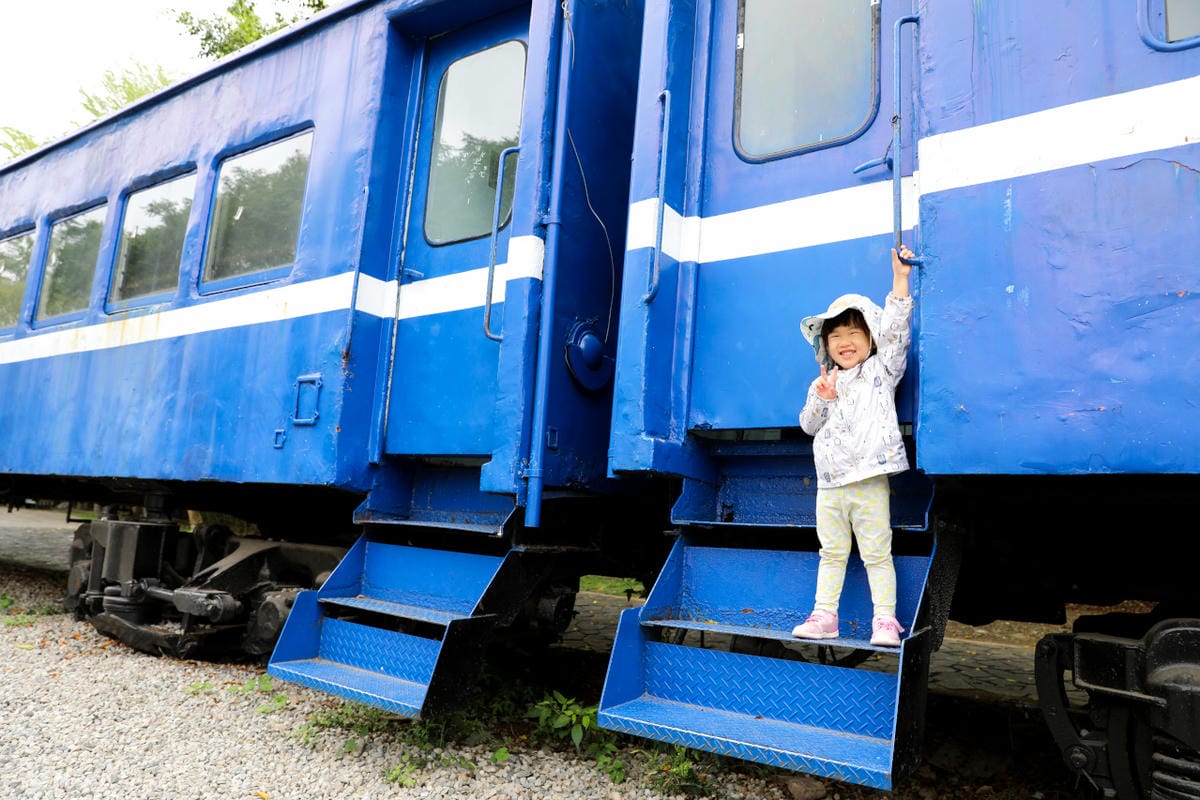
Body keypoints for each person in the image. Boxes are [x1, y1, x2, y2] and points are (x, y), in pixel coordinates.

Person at [791, 245, 914, 647]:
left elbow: (896, 334)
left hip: (868, 480)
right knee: (832, 552)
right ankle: (825, 616)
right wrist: (823, 398)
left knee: (877, 553)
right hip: (830, 485)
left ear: (869, 339)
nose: (844, 342)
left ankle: (885, 621)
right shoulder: (824, 383)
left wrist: (900, 280)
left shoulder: (881, 369)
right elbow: (808, 426)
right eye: (835, 336)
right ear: (825, 346)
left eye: (853, 333)